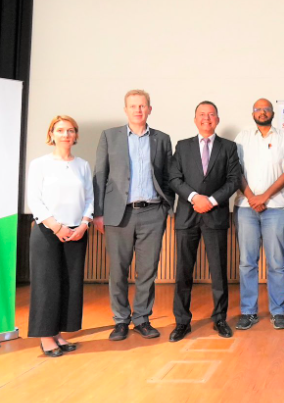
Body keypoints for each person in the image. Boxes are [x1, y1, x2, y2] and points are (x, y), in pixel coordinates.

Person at [93, 90, 173, 341]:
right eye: (133, 106)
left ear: (150, 109)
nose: (138, 110)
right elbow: (100, 175)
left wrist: (166, 207)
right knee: (118, 271)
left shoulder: (162, 139)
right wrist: (98, 213)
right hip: (119, 214)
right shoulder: (109, 136)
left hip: (152, 213)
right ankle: (120, 320)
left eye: (142, 106)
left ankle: (142, 319)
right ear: (126, 110)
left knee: (147, 271)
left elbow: (169, 176)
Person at [169, 101, 242, 340]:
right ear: (195, 119)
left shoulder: (229, 147)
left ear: (217, 120)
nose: (206, 118)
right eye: (202, 114)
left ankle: (220, 318)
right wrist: (193, 197)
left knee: (219, 271)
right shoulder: (182, 146)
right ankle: (182, 321)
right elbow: (174, 178)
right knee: (183, 272)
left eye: (211, 115)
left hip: (215, 214)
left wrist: (210, 200)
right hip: (187, 216)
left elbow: (233, 180)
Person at [27, 115, 93, 357]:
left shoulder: (83, 165)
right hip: (47, 232)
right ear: (51, 134)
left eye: (71, 130)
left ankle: (58, 333)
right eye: (60, 130)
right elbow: (34, 199)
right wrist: (56, 227)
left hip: (77, 232)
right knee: (47, 285)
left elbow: (89, 198)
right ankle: (46, 337)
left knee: (69, 284)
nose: (66, 134)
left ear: (75, 136)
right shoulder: (40, 164)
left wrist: (85, 224)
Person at [233, 98, 284, 331]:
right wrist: (252, 197)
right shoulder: (242, 138)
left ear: (272, 113)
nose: (262, 112)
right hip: (245, 208)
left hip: (276, 208)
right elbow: (235, 171)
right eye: (258, 109)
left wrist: (264, 197)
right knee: (247, 263)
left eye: (266, 109)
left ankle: (278, 312)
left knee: (276, 263)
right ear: (252, 113)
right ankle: (248, 312)